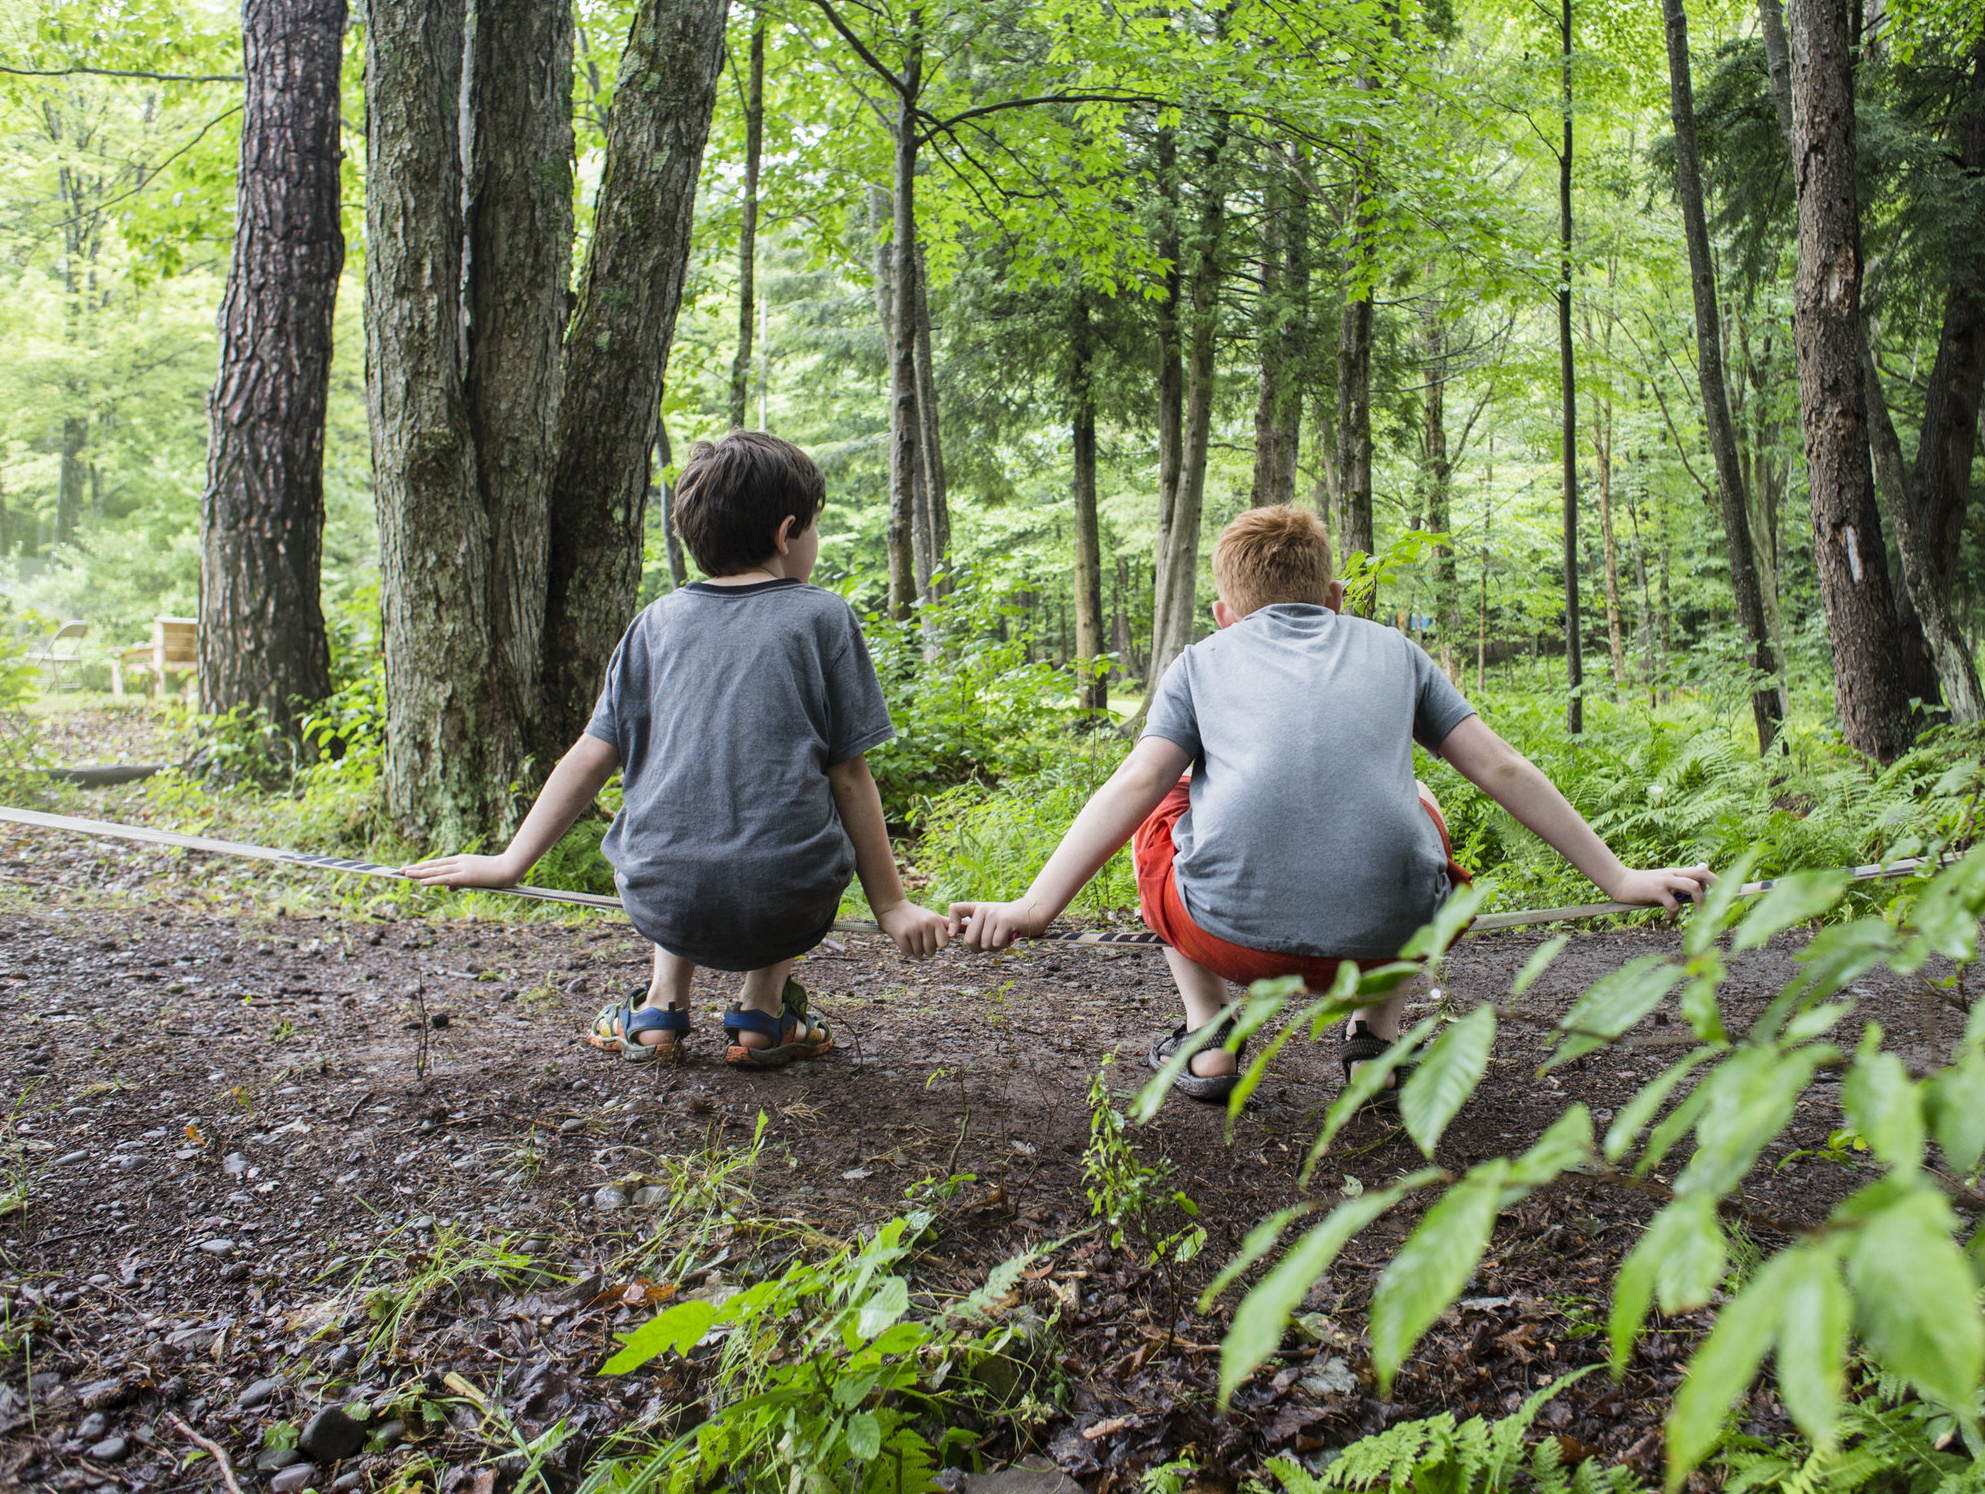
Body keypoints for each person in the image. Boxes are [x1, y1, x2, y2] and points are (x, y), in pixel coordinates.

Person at [951, 504, 1712, 1102]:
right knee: (1419, 801)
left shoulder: (1200, 662)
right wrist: (1620, 877)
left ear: (1223, 613)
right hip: (1390, 936)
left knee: (1165, 812)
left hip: (1231, 939)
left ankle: (1208, 1034)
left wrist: (1034, 905)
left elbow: (1135, 783)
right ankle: (1376, 1040)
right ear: (1335, 598)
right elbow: (1502, 768)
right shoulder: (1396, 650)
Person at [406, 430, 951, 1067]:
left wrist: (509, 863)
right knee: (791, 813)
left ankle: (661, 1007)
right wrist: (890, 904)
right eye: (814, 529)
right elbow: (850, 776)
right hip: (785, 900)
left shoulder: (654, 622)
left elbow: (589, 756)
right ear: (785, 534)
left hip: (662, 894)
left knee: (680, 807)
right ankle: (764, 1012)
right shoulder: (822, 617)